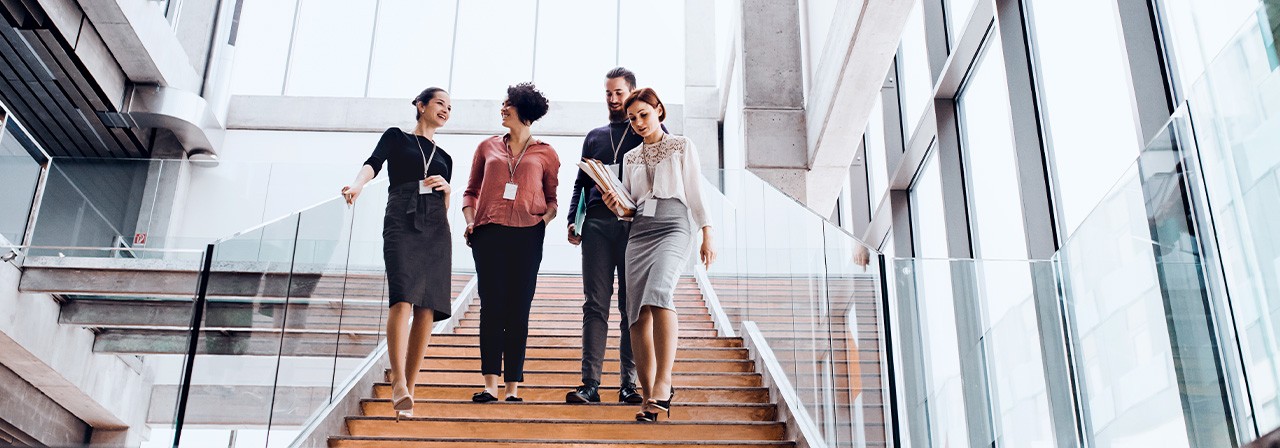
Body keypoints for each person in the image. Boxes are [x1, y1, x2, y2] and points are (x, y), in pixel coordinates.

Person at [602, 87, 715, 422]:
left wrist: (708, 231)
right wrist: (615, 206)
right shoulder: (630, 157)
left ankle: (665, 383)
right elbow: (630, 204)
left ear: (659, 110)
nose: (638, 122)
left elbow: (695, 189)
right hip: (639, 232)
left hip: (674, 225)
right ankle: (649, 396)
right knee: (636, 312)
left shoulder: (681, 145)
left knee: (659, 294)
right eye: (633, 118)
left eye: (644, 115)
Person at [340, 87, 454, 419]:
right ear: (420, 106)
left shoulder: (445, 157)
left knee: (427, 307)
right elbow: (373, 163)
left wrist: (447, 190)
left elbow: (444, 204)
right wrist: (358, 185)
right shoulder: (397, 137)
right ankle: (398, 383)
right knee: (402, 298)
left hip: (435, 224)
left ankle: (411, 389)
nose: (446, 109)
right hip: (402, 215)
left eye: (450, 107)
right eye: (439, 103)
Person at [564, 67, 660, 405]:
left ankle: (629, 385)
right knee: (595, 304)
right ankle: (590, 384)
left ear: (632, 92)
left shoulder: (645, 130)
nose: (613, 99)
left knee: (631, 307)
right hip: (597, 227)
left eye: (619, 92)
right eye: (608, 93)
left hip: (635, 227)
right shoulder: (594, 136)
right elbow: (580, 184)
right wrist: (572, 221)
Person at [462, 82, 558, 403]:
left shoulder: (546, 153)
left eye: (509, 104)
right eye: (503, 103)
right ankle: (490, 384)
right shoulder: (487, 147)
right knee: (491, 307)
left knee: (519, 309)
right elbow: (470, 191)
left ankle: (513, 387)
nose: (503, 108)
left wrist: (539, 224)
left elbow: (552, 200)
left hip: (526, 236)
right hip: (488, 234)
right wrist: (470, 222)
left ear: (525, 111)